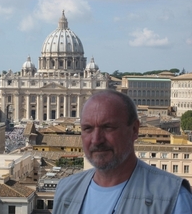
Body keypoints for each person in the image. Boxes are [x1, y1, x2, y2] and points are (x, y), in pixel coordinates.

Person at [53, 90, 192, 214]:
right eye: (87, 128)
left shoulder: (174, 198)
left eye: (108, 127)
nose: (96, 140)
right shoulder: (65, 190)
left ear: (134, 130)